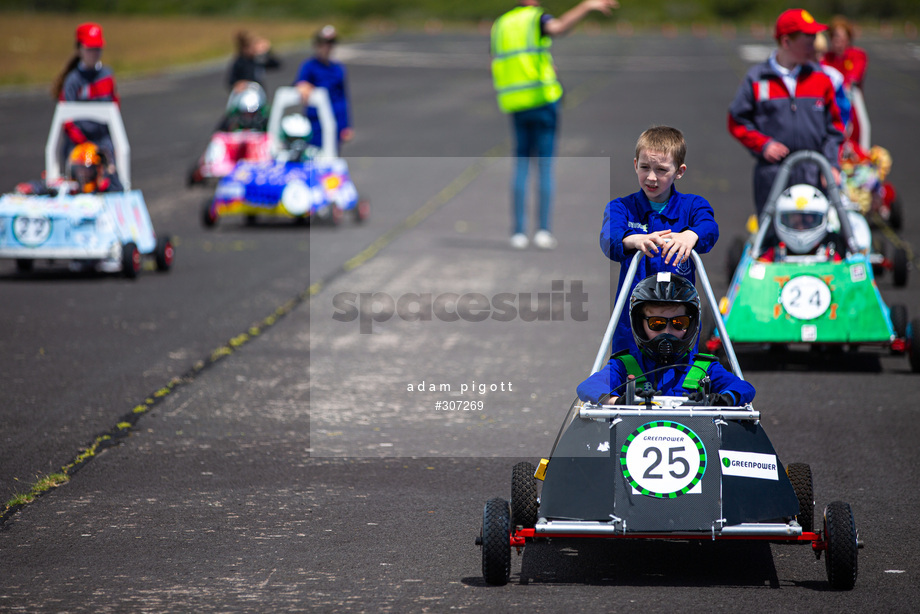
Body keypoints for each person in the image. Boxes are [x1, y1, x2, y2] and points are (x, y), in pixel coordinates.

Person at [491, 0, 620, 250]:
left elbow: (497, 63)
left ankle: (518, 232)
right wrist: (587, 6)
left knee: (521, 165)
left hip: (515, 103)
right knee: (545, 165)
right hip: (542, 101)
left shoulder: (501, 24)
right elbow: (559, 27)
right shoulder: (536, 19)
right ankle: (543, 230)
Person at [600, 126, 719, 355]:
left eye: (661, 170)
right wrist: (634, 240)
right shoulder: (622, 207)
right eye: (645, 167)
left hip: (679, 321)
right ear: (635, 165)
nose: (651, 177)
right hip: (633, 318)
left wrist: (690, 235)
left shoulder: (693, 206)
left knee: (681, 376)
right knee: (629, 373)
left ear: (679, 171)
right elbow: (609, 238)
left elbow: (709, 228)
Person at [727, 9, 845, 216]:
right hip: (773, 174)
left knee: (817, 236)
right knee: (772, 235)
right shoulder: (757, 78)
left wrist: (831, 165)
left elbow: (834, 128)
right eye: (807, 38)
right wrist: (763, 144)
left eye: (814, 37)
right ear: (786, 42)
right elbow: (737, 121)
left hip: (814, 173)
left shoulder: (821, 79)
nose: (814, 44)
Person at [577, 273, 755, 406]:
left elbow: (745, 388)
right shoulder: (625, 365)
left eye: (678, 323)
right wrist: (617, 401)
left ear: (691, 324)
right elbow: (588, 387)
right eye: (657, 323)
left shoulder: (703, 368)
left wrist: (722, 400)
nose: (667, 332)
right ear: (640, 325)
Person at [51, 23, 121, 183]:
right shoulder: (73, 80)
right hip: (78, 140)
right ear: (79, 49)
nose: (94, 54)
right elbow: (66, 119)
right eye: (89, 49)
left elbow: (115, 106)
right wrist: (84, 143)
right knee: (81, 174)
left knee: (110, 173)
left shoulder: (107, 76)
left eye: (97, 49)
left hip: (102, 138)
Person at [294, 25, 353, 149]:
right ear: (317, 45)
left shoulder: (337, 68)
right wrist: (303, 86)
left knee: (332, 154)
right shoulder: (309, 66)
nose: (327, 47)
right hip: (315, 120)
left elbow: (342, 97)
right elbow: (300, 83)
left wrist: (346, 125)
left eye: (331, 44)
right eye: (324, 44)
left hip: (335, 118)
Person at [756, 184, 843, 262]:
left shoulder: (831, 250)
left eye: (806, 222)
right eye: (795, 222)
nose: (801, 228)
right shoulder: (773, 251)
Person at [822, 16, 869, 149]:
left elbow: (853, 76)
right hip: (830, 108)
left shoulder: (857, 55)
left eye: (841, 37)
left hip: (851, 108)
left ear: (848, 38)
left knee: (855, 146)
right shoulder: (826, 57)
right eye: (835, 37)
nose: (838, 41)